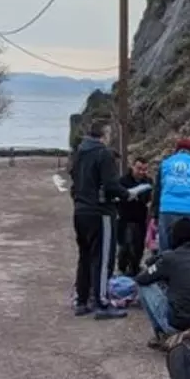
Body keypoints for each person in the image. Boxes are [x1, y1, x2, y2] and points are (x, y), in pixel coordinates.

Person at [70, 121, 132, 320]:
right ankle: (102, 302)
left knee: (85, 255)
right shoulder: (103, 154)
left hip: (80, 211)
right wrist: (126, 195)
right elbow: (111, 185)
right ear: (104, 134)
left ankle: (81, 300)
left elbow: (74, 180)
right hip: (100, 212)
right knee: (104, 259)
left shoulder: (79, 153)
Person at [135, 217, 190, 349]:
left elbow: (142, 278)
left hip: (178, 324)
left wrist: (158, 265)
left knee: (145, 286)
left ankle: (161, 335)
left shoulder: (170, 258)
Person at [116, 157, 153, 276]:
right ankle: (122, 269)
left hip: (141, 219)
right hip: (125, 219)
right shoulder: (122, 181)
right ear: (132, 166)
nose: (142, 172)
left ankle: (135, 269)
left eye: (145, 169)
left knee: (139, 247)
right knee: (126, 246)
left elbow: (148, 199)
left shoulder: (148, 182)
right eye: (139, 169)